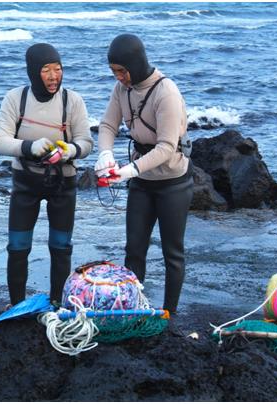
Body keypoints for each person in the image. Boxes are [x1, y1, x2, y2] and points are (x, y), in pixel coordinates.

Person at [95, 34, 194, 317]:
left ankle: (169, 314)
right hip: (141, 183)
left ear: (136, 64)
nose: (119, 77)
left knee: (172, 254)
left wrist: (129, 170)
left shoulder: (167, 93)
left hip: (172, 183)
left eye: (122, 71)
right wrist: (105, 154)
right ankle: (132, 308)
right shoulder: (121, 90)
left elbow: (166, 147)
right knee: (134, 249)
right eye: (114, 71)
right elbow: (106, 125)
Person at [0, 43, 93, 307]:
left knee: (61, 247)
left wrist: (70, 149)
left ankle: (57, 304)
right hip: (25, 183)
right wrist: (29, 146)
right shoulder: (16, 98)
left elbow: (87, 143)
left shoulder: (73, 101)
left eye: (58, 69)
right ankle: (16, 305)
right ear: (33, 72)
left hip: (63, 184)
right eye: (46, 70)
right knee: (17, 247)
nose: (53, 76)